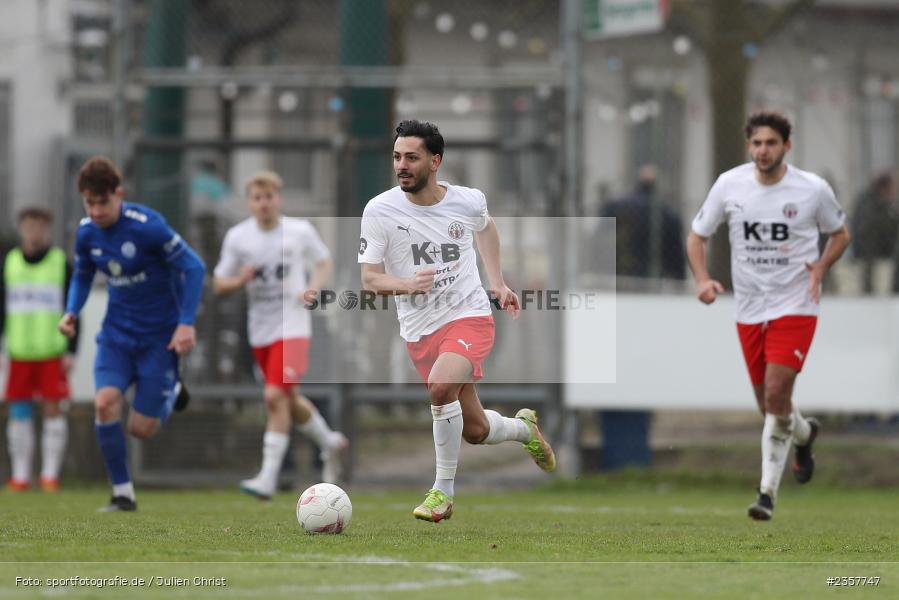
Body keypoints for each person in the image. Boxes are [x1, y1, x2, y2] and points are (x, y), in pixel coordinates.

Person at [358, 120, 556, 523]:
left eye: (411, 157)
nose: (402, 165)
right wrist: (406, 284)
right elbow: (369, 279)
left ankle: (441, 494)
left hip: (469, 315)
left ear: (435, 161)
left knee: (441, 386)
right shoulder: (379, 210)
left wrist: (498, 282)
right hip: (420, 331)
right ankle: (523, 429)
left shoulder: (466, 201)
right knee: (476, 430)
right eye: (397, 157)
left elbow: (487, 230)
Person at [686, 112, 851, 521]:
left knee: (777, 394)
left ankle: (766, 495)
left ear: (786, 147)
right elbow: (697, 235)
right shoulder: (730, 184)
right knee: (769, 406)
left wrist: (821, 267)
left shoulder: (812, 189)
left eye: (771, 143)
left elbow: (841, 233)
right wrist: (703, 279)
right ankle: (806, 433)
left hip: (796, 304)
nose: (763, 151)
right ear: (749, 146)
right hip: (749, 307)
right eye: (757, 143)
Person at [58, 156, 206, 512]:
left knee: (141, 428)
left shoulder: (148, 227)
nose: (95, 210)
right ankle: (123, 493)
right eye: (89, 203)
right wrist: (71, 311)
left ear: (118, 194)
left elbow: (195, 267)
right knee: (105, 403)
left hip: (159, 338)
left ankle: (170, 391)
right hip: (117, 336)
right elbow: (82, 274)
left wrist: (185, 322)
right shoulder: (87, 232)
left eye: (102, 202)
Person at [213, 171, 347, 500]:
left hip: (293, 327)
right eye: (257, 198)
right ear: (249, 203)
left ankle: (268, 478)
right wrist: (240, 280)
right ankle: (329, 442)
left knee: (274, 397)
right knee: (286, 398)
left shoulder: (299, 231)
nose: (264, 204)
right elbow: (219, 284)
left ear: (279, 199)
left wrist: (314, 287)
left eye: (269, 197)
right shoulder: (238, 238)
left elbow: (323, 260)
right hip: (260, 330)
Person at [2, 207, 78, 492]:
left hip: (51, 350)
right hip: (19, 350)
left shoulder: (60, 263)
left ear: (46, 228)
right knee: (18, 412)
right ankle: (20, 476)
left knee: (52, 410)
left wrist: (71, 350)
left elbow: (73, 309)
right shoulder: (9, 262)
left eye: (39, 225)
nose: (33, 231)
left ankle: (49, 475)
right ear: (21, 228)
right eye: (28, 225)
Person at [601, 164, 686, 282]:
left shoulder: (617, 206)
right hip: (651, 275)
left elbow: (600, 237)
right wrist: (679, 278)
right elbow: (676, 255)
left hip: (621, 270)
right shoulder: (668, 213)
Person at [851, 172, 897, 294]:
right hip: (870, 251)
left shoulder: (879, 203)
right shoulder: (870, 204)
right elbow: (870, 229)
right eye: (892, 188)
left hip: (876, 249)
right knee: (871, 285)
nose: (894, 192)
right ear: (883, 188)